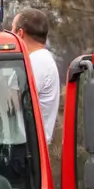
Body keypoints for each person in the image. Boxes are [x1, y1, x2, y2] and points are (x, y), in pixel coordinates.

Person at [11, 7, 60, 142]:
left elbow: (10, 104)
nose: (10, 34)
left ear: (20, 33)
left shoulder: (37, 61)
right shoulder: (40, 60)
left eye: (12, 29)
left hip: (26, 149)